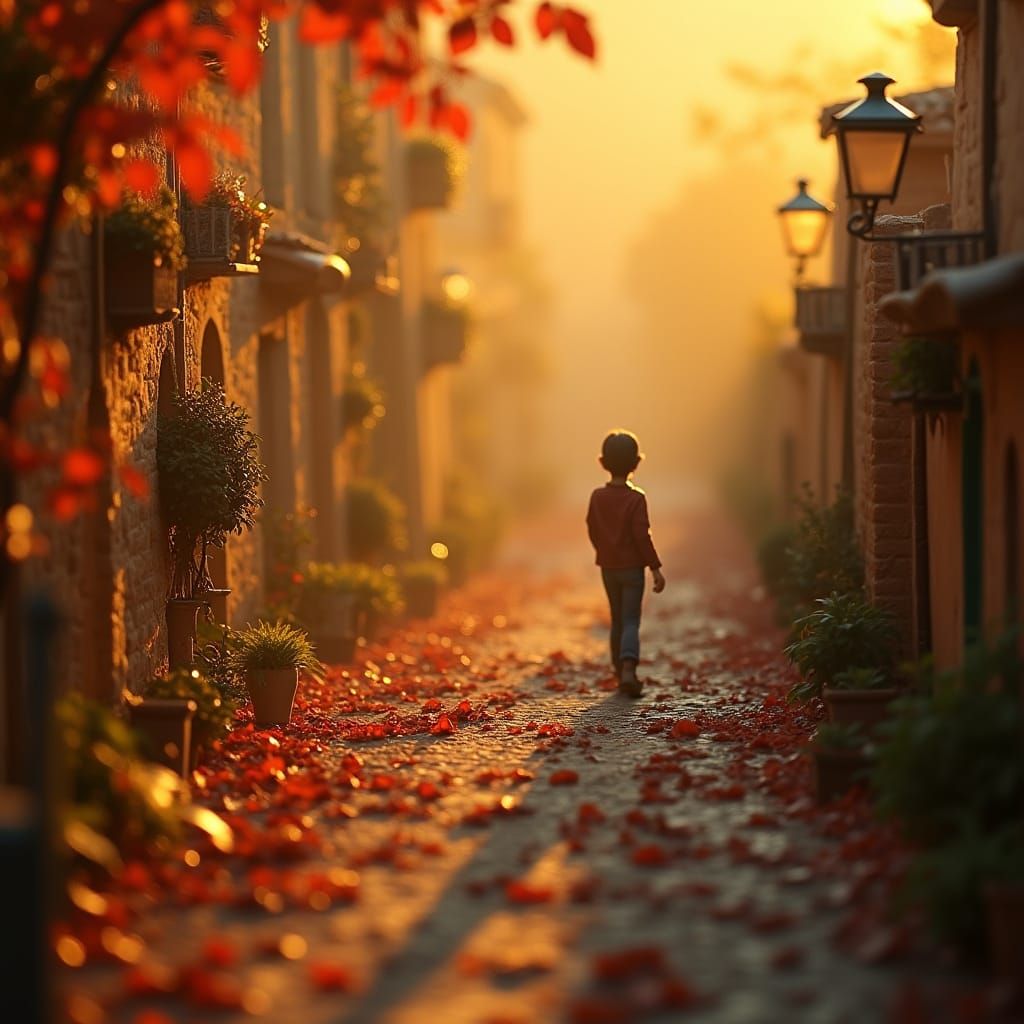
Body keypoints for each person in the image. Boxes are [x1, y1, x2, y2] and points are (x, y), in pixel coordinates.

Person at [586, 430, 665, 698]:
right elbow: (642, 536)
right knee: (631, 619)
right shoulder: (636, 498)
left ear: (603, 462)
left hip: (608, 567)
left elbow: (592, 528)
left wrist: (603, 550)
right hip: (633, 568)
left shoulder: (597, 497)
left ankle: (619, 672)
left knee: (617, 618)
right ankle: (630, 669)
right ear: (636, 463)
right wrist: (654, 567)